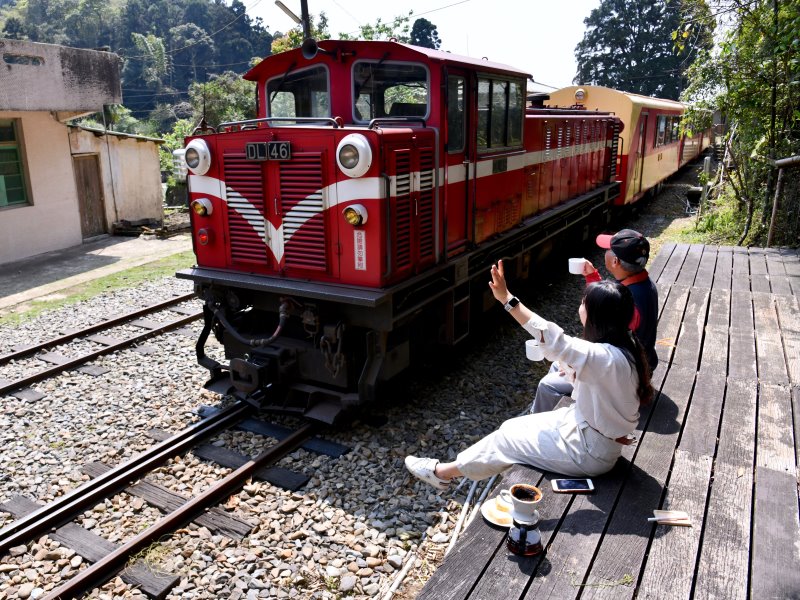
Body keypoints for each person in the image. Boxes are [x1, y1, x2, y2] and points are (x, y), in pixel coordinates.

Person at [404, 260, 653, 489]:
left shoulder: (603, 358)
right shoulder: (623, 346)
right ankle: (471, 471)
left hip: (589, 452)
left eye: (583, 303)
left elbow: (553, 338)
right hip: (587, 433)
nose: (580, 307)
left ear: (596, 316)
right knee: (510, 427)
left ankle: (441, 473)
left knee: (506, 441)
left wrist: (507, 299)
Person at [530, 229, 658, 414]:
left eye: (608, 249)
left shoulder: (630, 299)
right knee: (557, 365)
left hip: (625, 374)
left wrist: (575, 367)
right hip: (639, 361)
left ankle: (538, 426)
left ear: (615, 261)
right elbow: (609, 304)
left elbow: (607, 346)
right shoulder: (643, 284)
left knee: (548, 385)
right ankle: (555, 412)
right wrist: (592, 277)